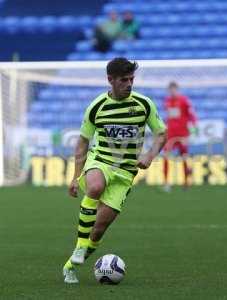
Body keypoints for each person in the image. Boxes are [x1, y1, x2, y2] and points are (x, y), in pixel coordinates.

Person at [63, 57, 167, 283]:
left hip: (125, 173)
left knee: (99, 229)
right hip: (100, 161)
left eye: (131, 79)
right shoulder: (97, 106)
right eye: (124, 80)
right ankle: (80, 248)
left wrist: (150, 155)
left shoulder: (143, 104)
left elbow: (161, 133)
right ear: (110, 80)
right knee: (96, 186)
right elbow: (82, 142)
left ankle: (70, 265)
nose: (129, 84)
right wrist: (74, 176)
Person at [163, 81, 197, 192]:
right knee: (166, 156)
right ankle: (166, 183)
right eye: (170, 90)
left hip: (182, 134)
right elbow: (169, 117)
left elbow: (192, 115)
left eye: (174, 89)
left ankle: (186, 182)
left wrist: (193, 128)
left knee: (184, 157)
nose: (172, 92)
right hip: (170, 134)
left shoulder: (184, 100)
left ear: (177, 89)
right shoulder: (167, 101)